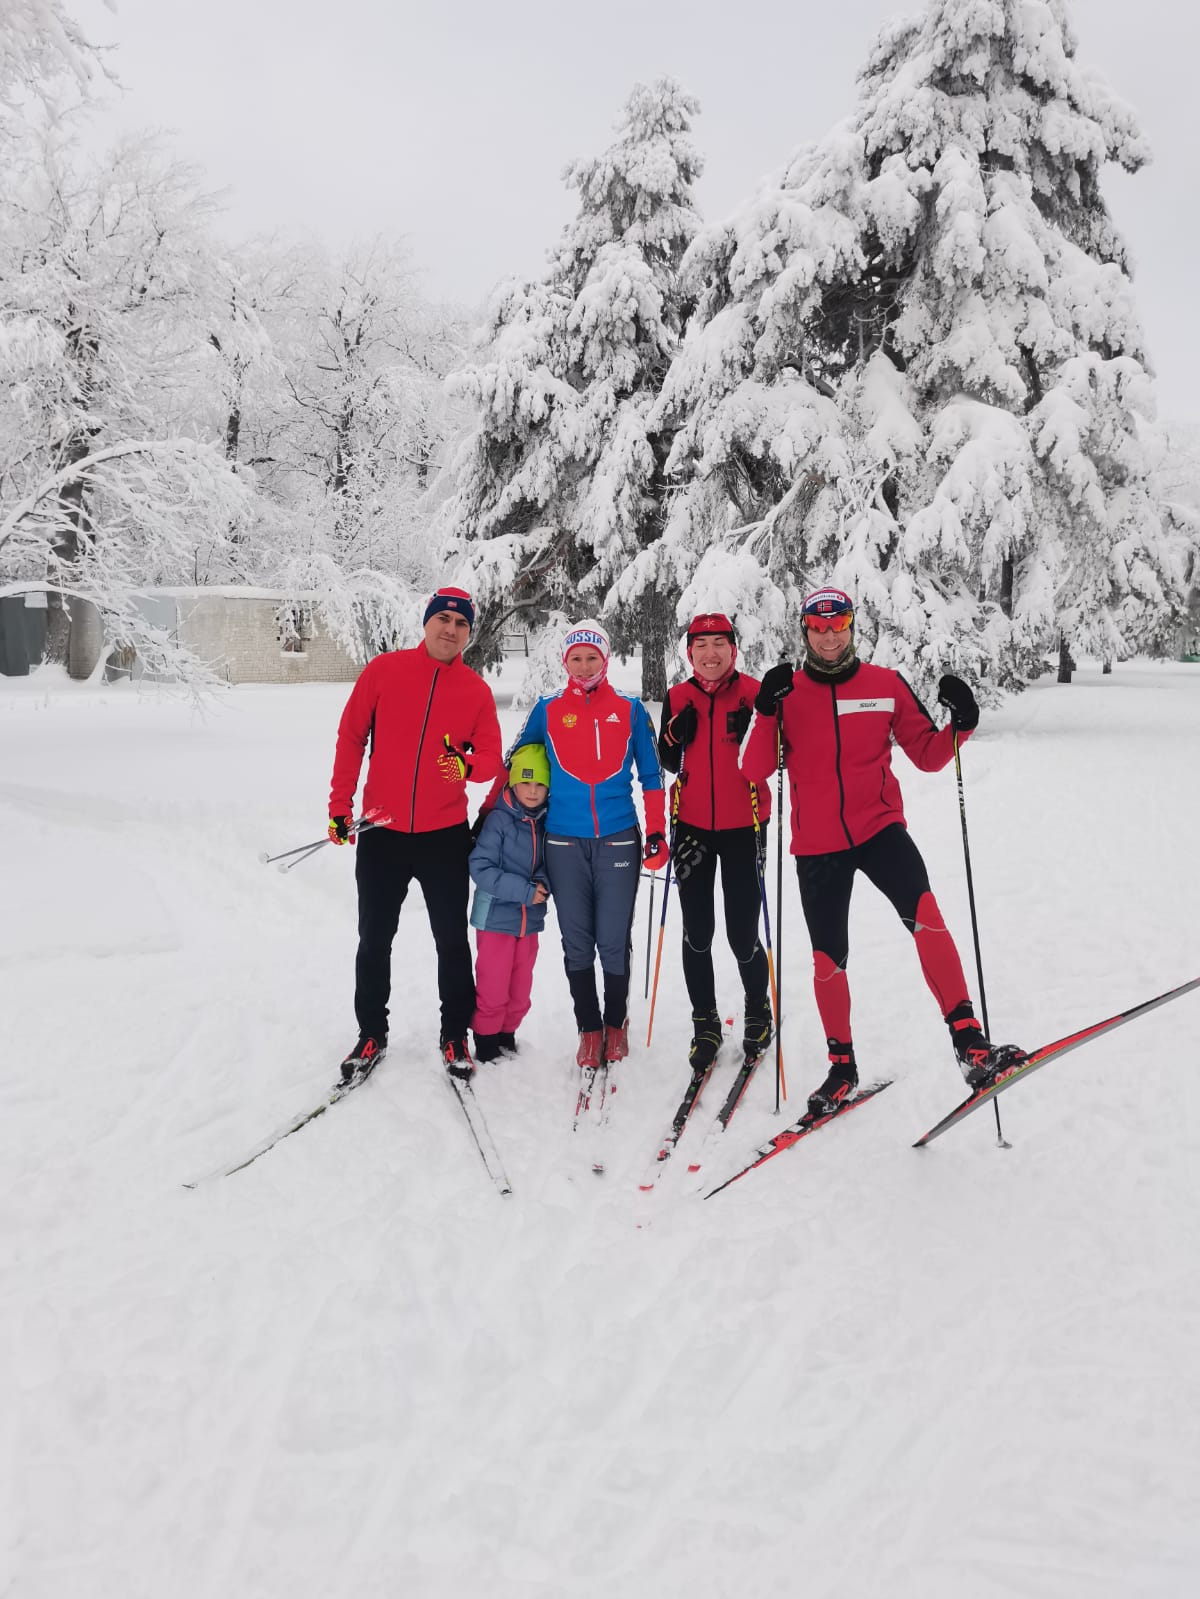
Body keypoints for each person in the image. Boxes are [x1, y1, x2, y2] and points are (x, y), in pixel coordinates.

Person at [741, 586, 1024, 1117]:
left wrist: (960, 725)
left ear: (852, 626)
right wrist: (763, 710)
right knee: (829, 956)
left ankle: (970, 1043)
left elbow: (928, 755)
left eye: (839, 624)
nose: (829, 636)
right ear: (805, 632)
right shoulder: (787, 694)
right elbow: (754, 770)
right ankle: (842, 1068)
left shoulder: (884, 685)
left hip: (880, 829)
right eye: (818, 628)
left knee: (928, 919)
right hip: (818, 845)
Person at [328, 585, 503, 1083]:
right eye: (443, 619)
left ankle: (454, 1034)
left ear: (470, 633)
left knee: (451, 940)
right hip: (381, 831)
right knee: (374, 938)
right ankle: (371, 1032)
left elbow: (490, 760)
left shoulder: (475, 690)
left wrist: (463, 766)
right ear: (426, 622)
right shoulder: (384, 671)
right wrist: (340, 807)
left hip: (444, 836)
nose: (451, 629)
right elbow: (351, 736)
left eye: (461, 624)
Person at [506, 619, 667, 1068]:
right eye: (575, 657)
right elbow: (515, 762)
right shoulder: (548, 708)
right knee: (577, 940)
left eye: (591, 656)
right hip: (563, 840)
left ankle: (616, 1024)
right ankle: (589, 1028)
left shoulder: (632, 710)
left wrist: (657, 831)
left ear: (605, 658)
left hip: (618, 837)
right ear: (565, 662)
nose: (583, 665)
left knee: (613, 939)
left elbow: (652, 777)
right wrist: (497, 816)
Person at [657, 612, 773, 1073]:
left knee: (742, 932)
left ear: (733, 649)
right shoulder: (677, 696)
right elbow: (668, 760)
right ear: (689, 653)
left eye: (719, 644)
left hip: (746, 824)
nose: (710, 653)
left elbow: (776, 758)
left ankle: (757, 1009)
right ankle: (704, 1020)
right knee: (697, 931)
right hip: (691, 827)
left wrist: (757, 730)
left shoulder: (754, 693)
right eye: (700, 646)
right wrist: (673, 735)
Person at [468, 743, 551, 1063]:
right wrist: (525, 891)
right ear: (513, 782)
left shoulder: (546, 822)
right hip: (495, 920)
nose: (532, 791)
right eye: (525, 782)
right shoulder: (499, 821)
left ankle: (507, 1032)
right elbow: (481, 868)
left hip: (528, 922)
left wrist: (545, 884)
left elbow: (550, 862)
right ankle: (487, 1040)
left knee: (520, 987)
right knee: (494, 984)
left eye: (540, 784)